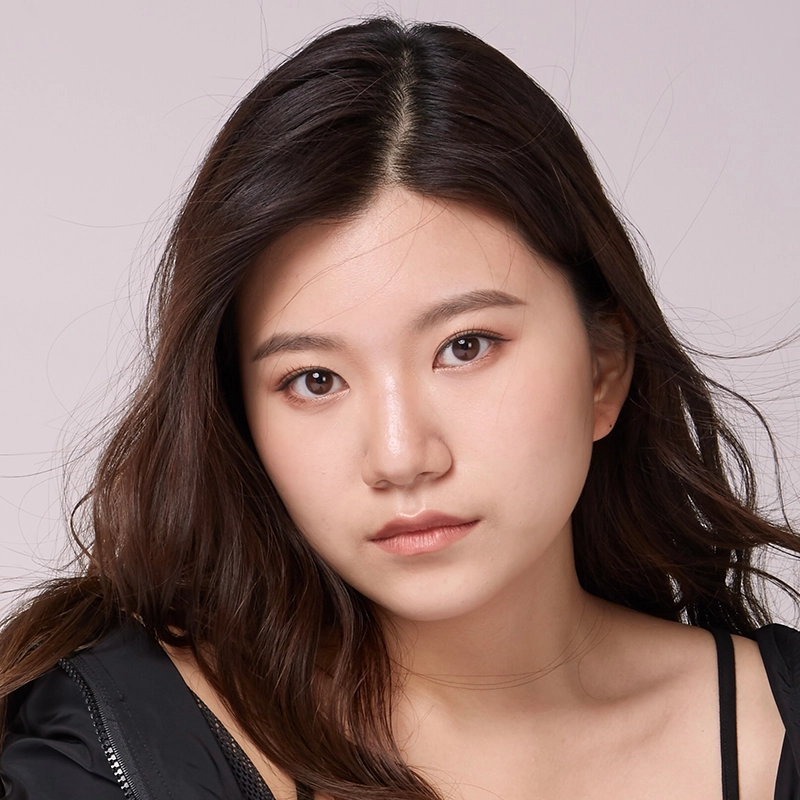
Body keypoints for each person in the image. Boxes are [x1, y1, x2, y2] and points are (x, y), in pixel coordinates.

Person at [1, 14, 798, 800]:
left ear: (604, 369)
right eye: (314, 379)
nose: (400, 455)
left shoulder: (775, 727)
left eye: (466, 346)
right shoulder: (121, 748)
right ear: (241, 419)